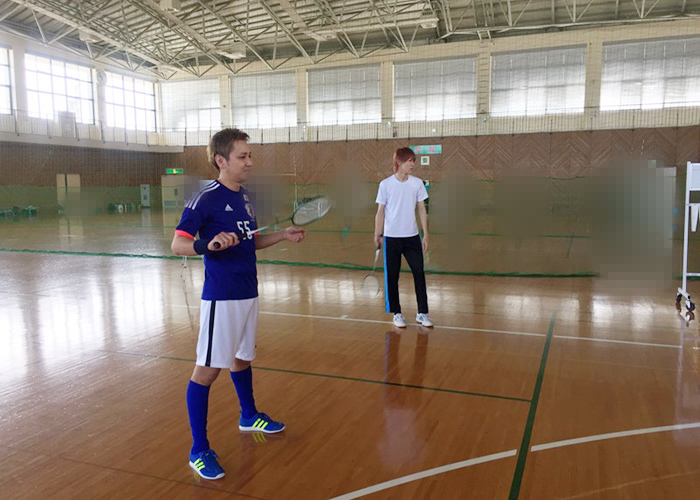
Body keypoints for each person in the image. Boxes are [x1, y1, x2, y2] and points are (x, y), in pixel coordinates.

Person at [171, 128, 306, 480]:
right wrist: (208, 245)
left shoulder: (246, 197)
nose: (250, 162)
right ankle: (198, 450)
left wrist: (283, 235)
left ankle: (248, 416)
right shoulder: (204, 198)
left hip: (249, 291)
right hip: (222, 296)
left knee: (242, 358)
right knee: (207, 370)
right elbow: (178, 244)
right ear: (221, 160)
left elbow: (251, 241)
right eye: (242, 156)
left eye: (250, 155)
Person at [374, 147, 433, 328]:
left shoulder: (417, 183)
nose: (412, 164)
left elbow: (422, 209)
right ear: (399, 162)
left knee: (419, 273)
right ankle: (397, 313)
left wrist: (426, 234)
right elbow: (380, 212)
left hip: (412, 238)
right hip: (391, 238)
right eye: (409, 161)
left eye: (414, 161)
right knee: (392, 276)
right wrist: (377, 234)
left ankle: (422, 313)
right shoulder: (385, 185)